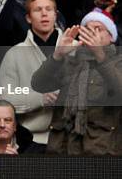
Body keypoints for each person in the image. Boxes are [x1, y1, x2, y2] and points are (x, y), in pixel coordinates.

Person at [32, 9, 122, 155]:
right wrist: (57, 55)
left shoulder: (118, 62)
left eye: (98, 29)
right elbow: (38, 84)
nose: (91, 34)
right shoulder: (71, 61)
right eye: (87, 29)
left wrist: (101, 56)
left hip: (101, 150)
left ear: (111, 37)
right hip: (62, 148)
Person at [0, 0, 62, 151]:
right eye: (38, 10)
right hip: (31, 140)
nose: (44, 14)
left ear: (56, 15)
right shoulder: (15, 54)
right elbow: (1, 100)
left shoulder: (74, 48)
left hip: (69, 138)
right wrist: (40, 98)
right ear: (28, 18)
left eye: (49, 9)